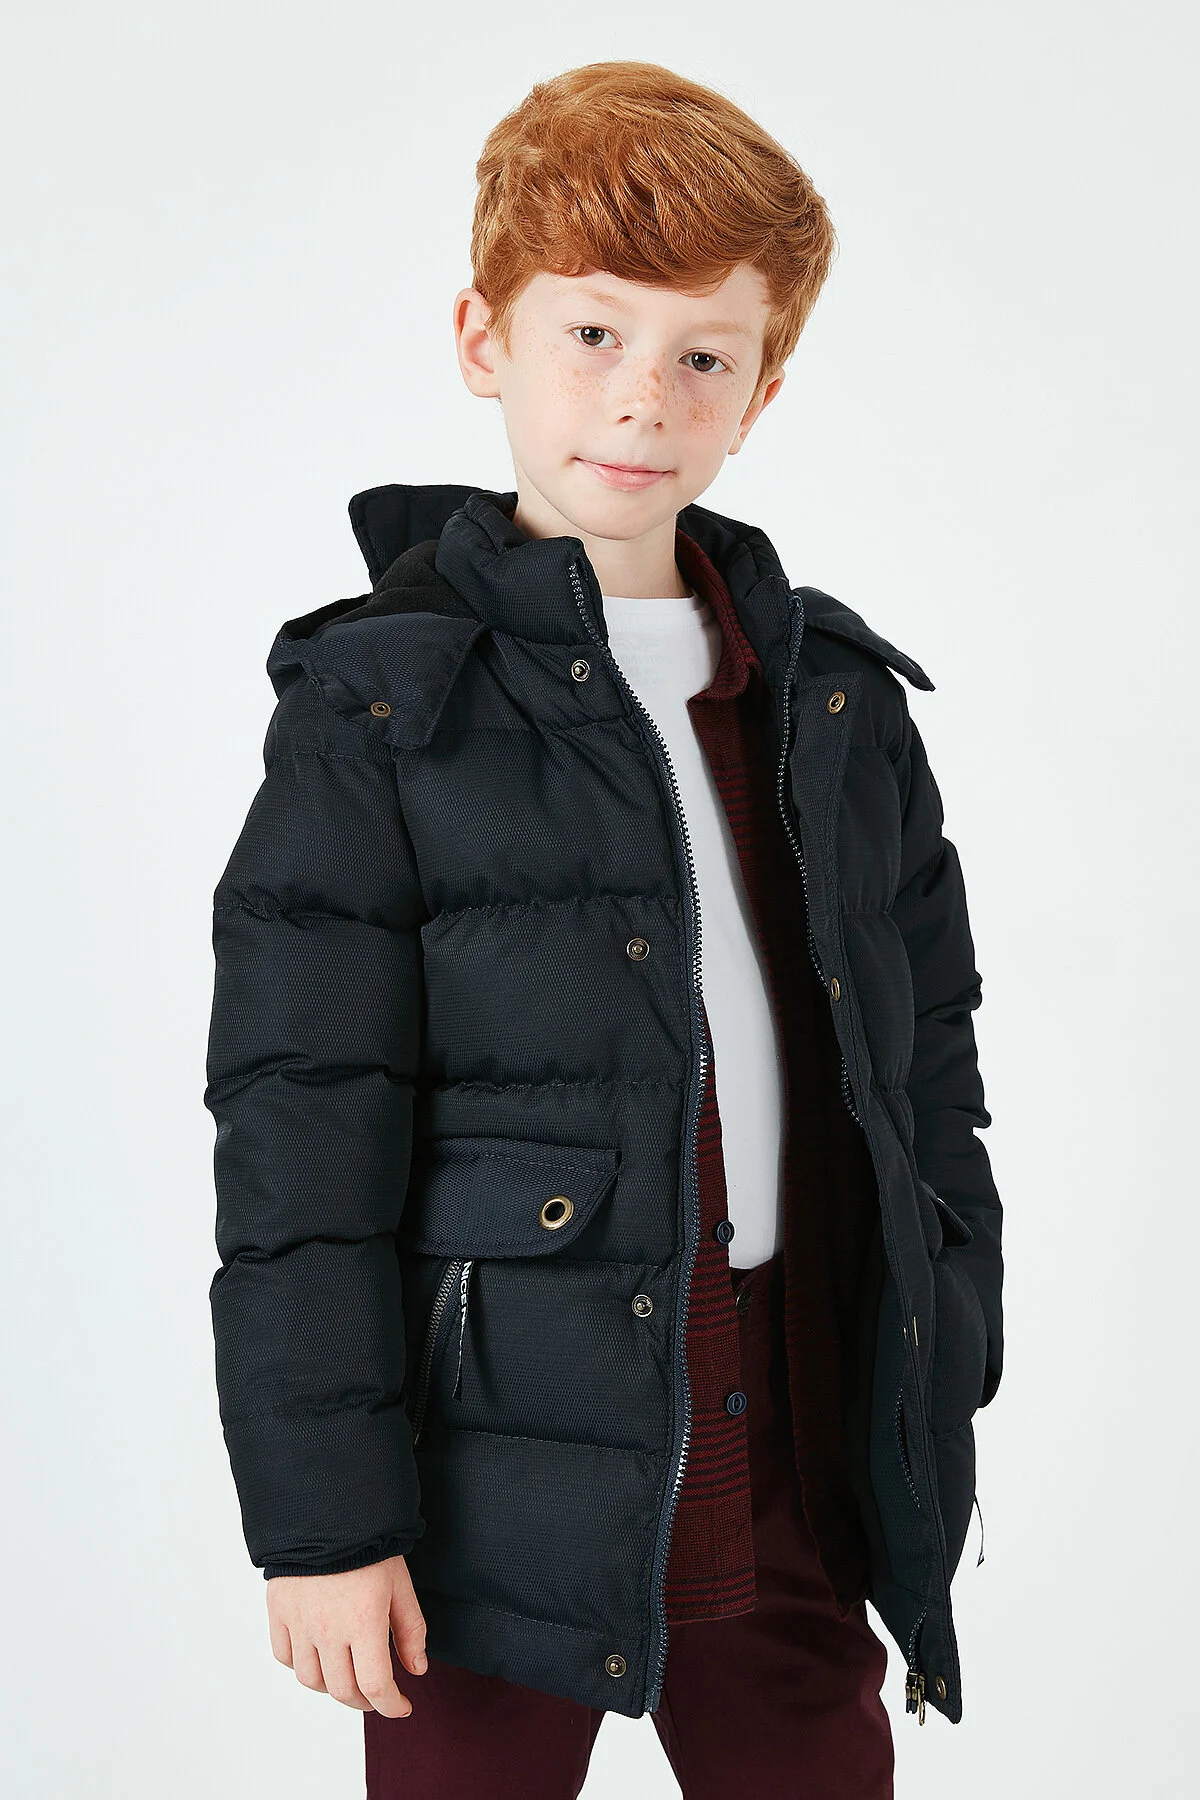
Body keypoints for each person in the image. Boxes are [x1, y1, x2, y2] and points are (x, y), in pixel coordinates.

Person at [203, 59, 1004, 1800]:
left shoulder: (836, 703)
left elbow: (930, 1075)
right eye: (591, 334)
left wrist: (940, 1370)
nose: (642, 397)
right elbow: (297, 1141)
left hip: (790, 1434)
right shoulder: (381, 710)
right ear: (483, 339)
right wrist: (323, 1524)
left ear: (762, 392)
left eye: (703, 357)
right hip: (490, 1474)